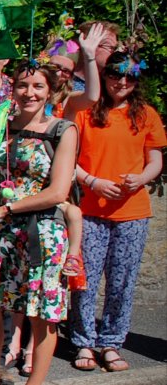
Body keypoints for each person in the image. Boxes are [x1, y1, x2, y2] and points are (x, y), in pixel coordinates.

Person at [0, 62, 78, 385]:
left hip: (43, 232)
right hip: (2, 232)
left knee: (42, 314)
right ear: (12, 88)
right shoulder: (1, 125)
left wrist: (7, 209)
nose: (29, 93)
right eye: (22, 85)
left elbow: (58, 191)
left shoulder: (63, 130)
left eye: (38, 86)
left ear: (50, 91)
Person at [68, 51, 165, 372]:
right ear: (105, 74)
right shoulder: (85, 112)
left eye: (130, 76)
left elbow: (155, 160)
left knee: (122, 282)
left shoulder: (146, 114)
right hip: (90, 211)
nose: (121, 82)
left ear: (137, 80)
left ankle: (111, 342)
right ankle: (83, 342)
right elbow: (68, 158)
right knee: (85, 280)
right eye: (115, 74)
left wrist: (142, 178)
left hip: (133, 211)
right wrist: (92, 181)